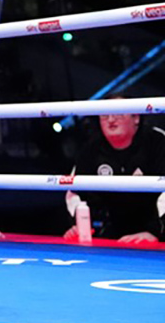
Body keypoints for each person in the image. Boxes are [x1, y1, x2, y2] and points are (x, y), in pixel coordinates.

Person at [64, 104, 165, 243]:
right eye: (104, 115)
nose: (111, 120)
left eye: (118, 114)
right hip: (112, 234)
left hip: (157, 231)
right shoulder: (91, 148)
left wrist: (155, 231)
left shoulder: (157, 142)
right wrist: (81, 224)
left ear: (136, 117)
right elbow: (75, 192)